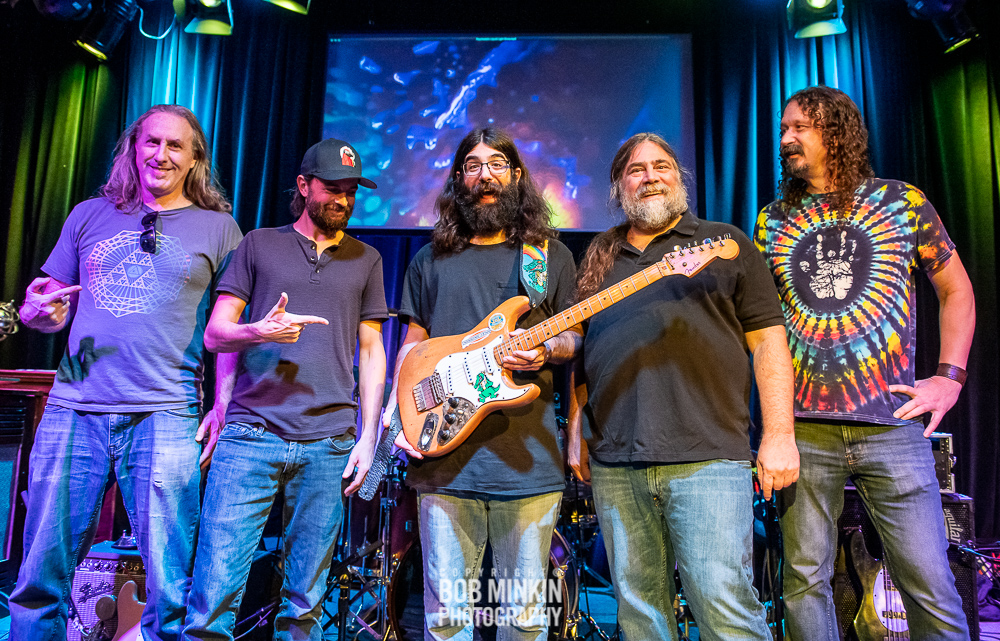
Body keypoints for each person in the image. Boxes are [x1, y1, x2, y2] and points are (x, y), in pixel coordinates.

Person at [9, 105, 244, 641]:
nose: (161, 154)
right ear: (133, 149)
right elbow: (51, 307)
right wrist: (37, 314)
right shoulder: (88, 215)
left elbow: (227, 328)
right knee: (39, 576)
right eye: (151, 142)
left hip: (166, 414)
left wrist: (222, 402)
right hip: (73, 408)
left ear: (194, 159)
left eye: (175, 146)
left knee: (169, 588)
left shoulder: (220, 229)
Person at [754, 85, 976, 641]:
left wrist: (949, 379)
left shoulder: (902, 202)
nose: (786, 139)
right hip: (803, 430)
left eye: (799, 127)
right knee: (803, 581)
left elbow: (956, 290)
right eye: (783, 129)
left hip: (892, 425)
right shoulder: (773, 219)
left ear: (837, 133)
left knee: (928, 580)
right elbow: (758, 324)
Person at [568, 132, 799, 641]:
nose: (650, 177)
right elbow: (584, 354)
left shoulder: (723, 243)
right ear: (618, 186)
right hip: (616, 463)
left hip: (708, 458)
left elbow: (769, 343)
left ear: (680, 177)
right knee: (639, 615)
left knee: (724, 608)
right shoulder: (598, 257)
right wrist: (575, 434)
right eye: (636, 170)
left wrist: (780, 434)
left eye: (662, 166)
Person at [181, 138, 388, 640]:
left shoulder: (367, 259)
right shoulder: (258, 244)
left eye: (350, 190)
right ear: (303, 186)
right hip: (252, 436)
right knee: (213, 595)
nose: (342, 199)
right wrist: (260, 331)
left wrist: (368, 437)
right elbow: (216, 335)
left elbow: (371, 352)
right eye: (332, 188)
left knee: (304, 606)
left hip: (329, 443)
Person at [382, 127, 581, 640]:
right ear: (458, 178)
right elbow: (413, 344)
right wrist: (400, 416)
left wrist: (546, 349)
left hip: (527, 463)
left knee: (525, 619)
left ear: (515, 175)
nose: (484, 175)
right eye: (472, 165)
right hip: (444, 462)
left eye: (496, 164)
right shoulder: (429, 259)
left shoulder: (548, 257)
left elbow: (575, 338)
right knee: (447, 618)